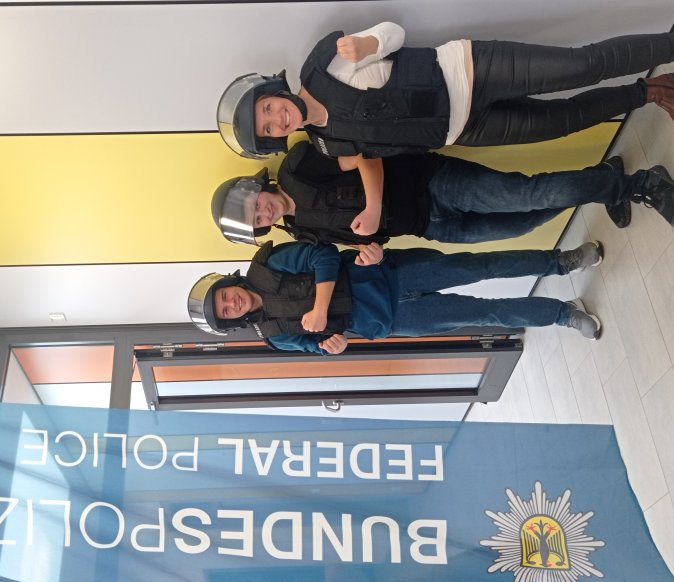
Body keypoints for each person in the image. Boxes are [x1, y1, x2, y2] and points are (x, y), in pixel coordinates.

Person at [217, 22, 674, 228]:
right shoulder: (325, 143)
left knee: (583, 65)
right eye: (270, 129)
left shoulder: (324, 66)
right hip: (466, 130)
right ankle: (651, 92)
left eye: (268, 109)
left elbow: (395, 34)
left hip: (471, 70)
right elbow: (373, 158)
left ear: (271, 91)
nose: (278, 119)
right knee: (565, 121)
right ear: (275, 141)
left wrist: (370, 41)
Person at [212, 141, 674, 250]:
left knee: (527, 193)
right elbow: (363, 236)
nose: (262, 213)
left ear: (256, 189)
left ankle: (640, 183)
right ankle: (604, 181)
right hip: (431, 227)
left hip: (432, 183)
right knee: (525, 221)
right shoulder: (300, 231)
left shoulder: (296, 166)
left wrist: (373, 208)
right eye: (256, 221)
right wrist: (371, 250)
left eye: (254, 206)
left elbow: (368, 157)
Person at [187, 240, 604, 355]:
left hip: (390, 275)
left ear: (227, 284)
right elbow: (316, 345)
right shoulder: (274, 335)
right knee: (488, 315)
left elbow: (323, 255)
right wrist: (332, 346)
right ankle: (563, 315)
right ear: (232, 321)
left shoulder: (267, 264)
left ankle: (562, 262)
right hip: (393, 320)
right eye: (226, 312)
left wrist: (319, 307)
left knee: (483, 266)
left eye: (224, 297)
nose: (231, 304)